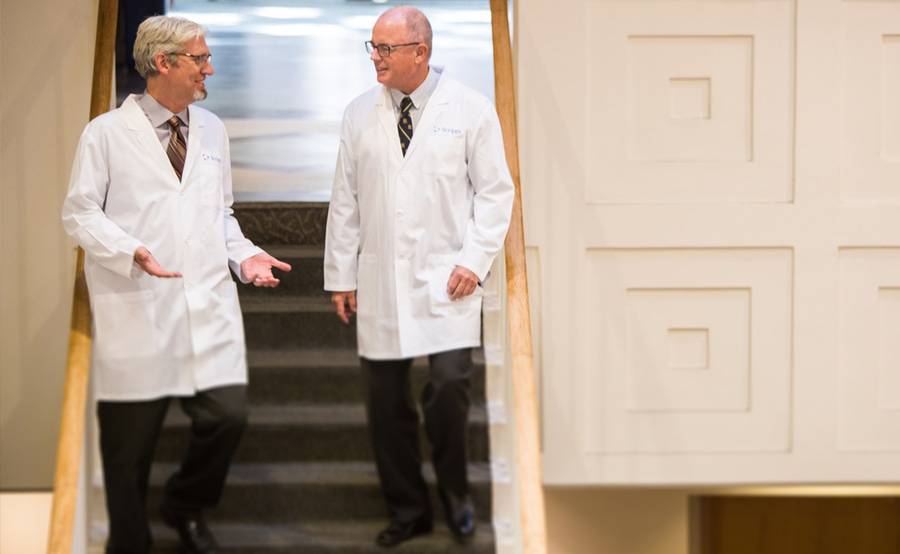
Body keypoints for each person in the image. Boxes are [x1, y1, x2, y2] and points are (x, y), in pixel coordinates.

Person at [61, 15, 291, 554]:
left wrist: (247, 256)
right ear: (163, 63)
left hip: (206, 304)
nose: (210, 67)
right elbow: (78, 214)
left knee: (228, 416)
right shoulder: (105, 135)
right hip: (139, 308)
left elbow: (220, 214)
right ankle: (130, 542)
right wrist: (131, 250)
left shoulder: (211, 129)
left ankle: (185, 504)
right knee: (127, 453)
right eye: (200, 58)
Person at [324, 6, 514, 548]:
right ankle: (408, 508)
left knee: (450, 388)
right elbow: (346, 200)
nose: (375, 59)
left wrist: (472, 261)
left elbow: (496, 194)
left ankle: (456, 495)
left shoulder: (470, 110)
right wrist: (341, 274)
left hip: (448, 277)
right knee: (385, 403)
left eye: (385, 49)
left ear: (420, 53)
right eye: (373, 47)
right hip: (381, 276)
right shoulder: (359, 113)